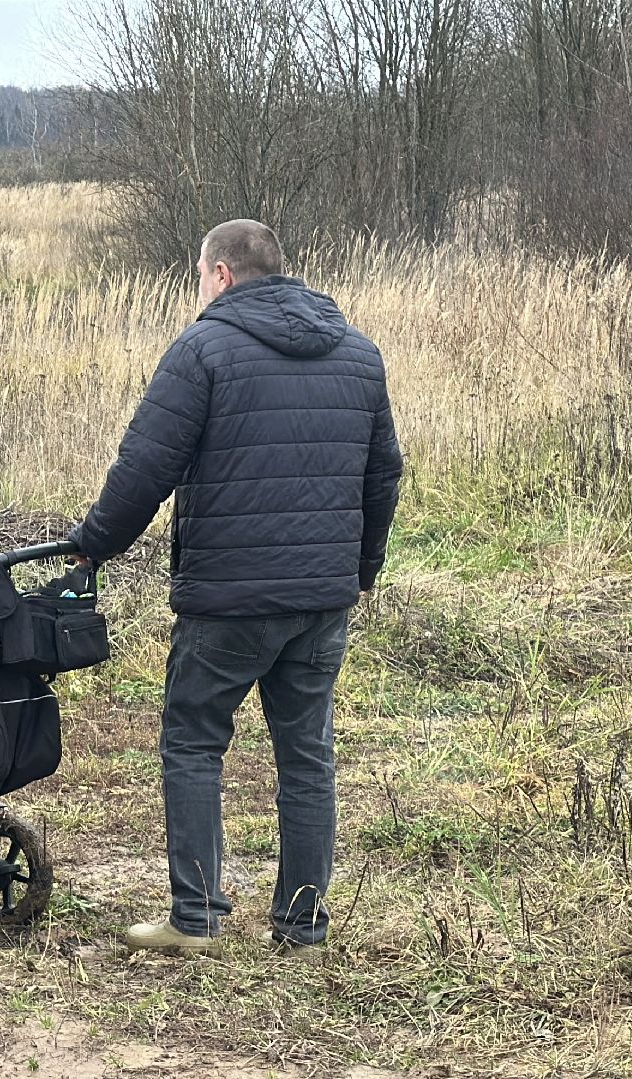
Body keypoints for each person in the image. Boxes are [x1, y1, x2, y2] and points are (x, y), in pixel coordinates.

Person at [69, 220, 402, 954]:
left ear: (220, 274)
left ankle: (197, 920)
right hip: (321, 600)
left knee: (193, 741)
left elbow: (144, 470)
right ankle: (303, 927)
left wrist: (94, 547)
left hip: (228, 601)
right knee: (307, 755)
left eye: (198, 273)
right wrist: (360, 572)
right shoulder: (358, 352)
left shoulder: (202, 350)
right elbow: (385, 477)